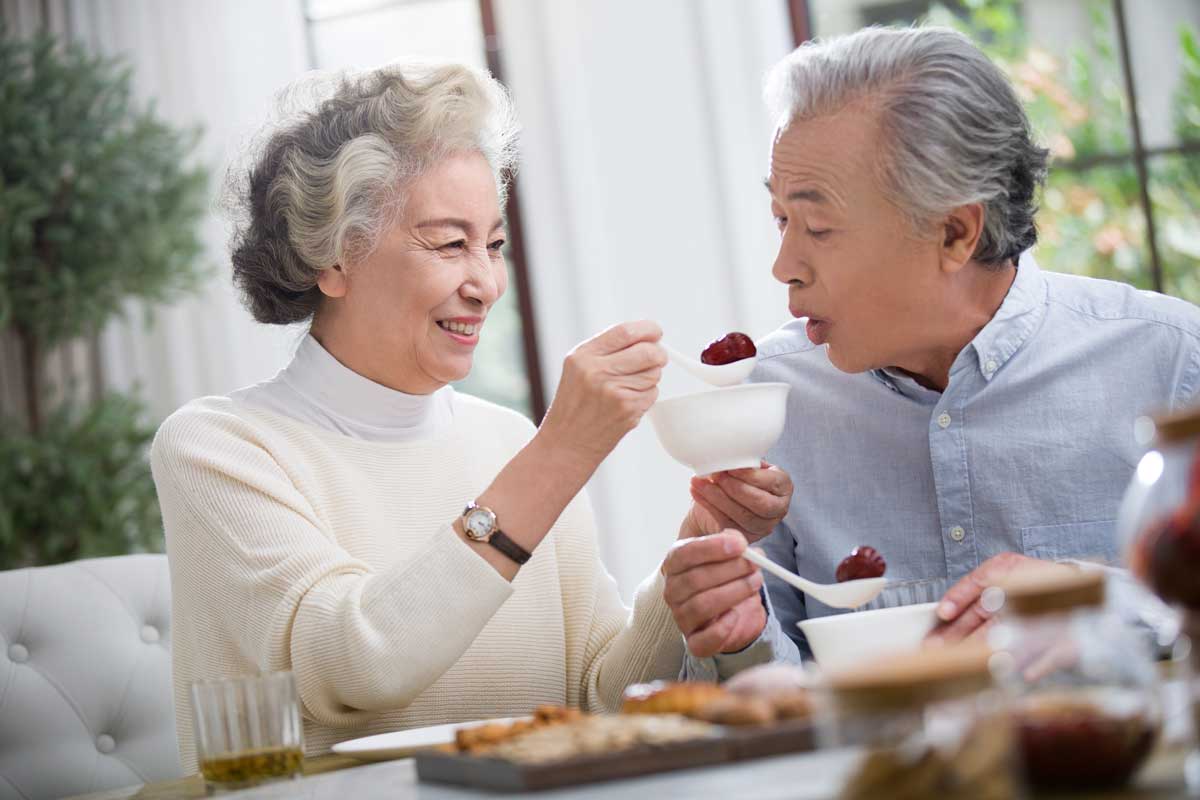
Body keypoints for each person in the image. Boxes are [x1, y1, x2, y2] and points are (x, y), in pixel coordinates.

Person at [151, 63, 791, 770]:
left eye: (493, 244)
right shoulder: (220, 448)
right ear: (333, 258)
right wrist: (562, 452)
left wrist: (693, 559)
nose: (485, 284)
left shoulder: (507, 442)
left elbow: (600, 698)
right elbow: (359, 662)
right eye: (450, 244)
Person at [741, 26, 1200, 657]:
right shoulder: (768, 403)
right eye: (781, 219)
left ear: (956, 232)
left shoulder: (1173, 363)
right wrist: (732, 635)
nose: (783, 265)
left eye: (818, 226)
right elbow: (765, 695)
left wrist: (1094, 601)